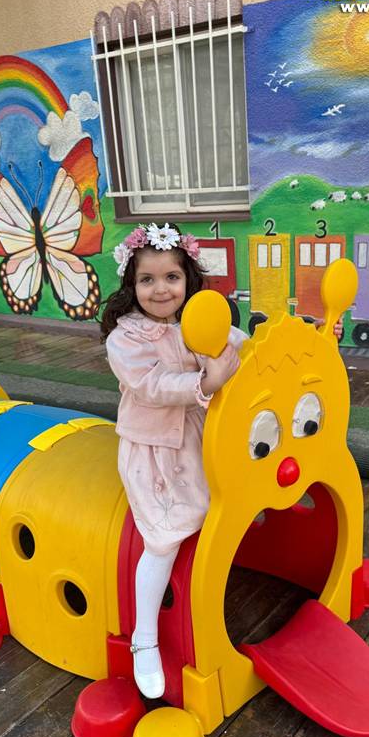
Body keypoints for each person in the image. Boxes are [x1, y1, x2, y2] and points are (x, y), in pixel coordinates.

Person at [100, 222, 244, 698]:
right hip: (154, 449)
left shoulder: (198, 321)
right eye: (147, 279)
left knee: (223, 511)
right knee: (161, 541)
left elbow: (245, 347)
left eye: (171, 277)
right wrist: (206, 382)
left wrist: (309, 335)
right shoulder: (125, 339)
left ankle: (214, 592)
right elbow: (150, 386)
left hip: (202, 441)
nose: (160, 289)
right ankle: (144, 640)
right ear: (132, 284)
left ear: (188, 281)